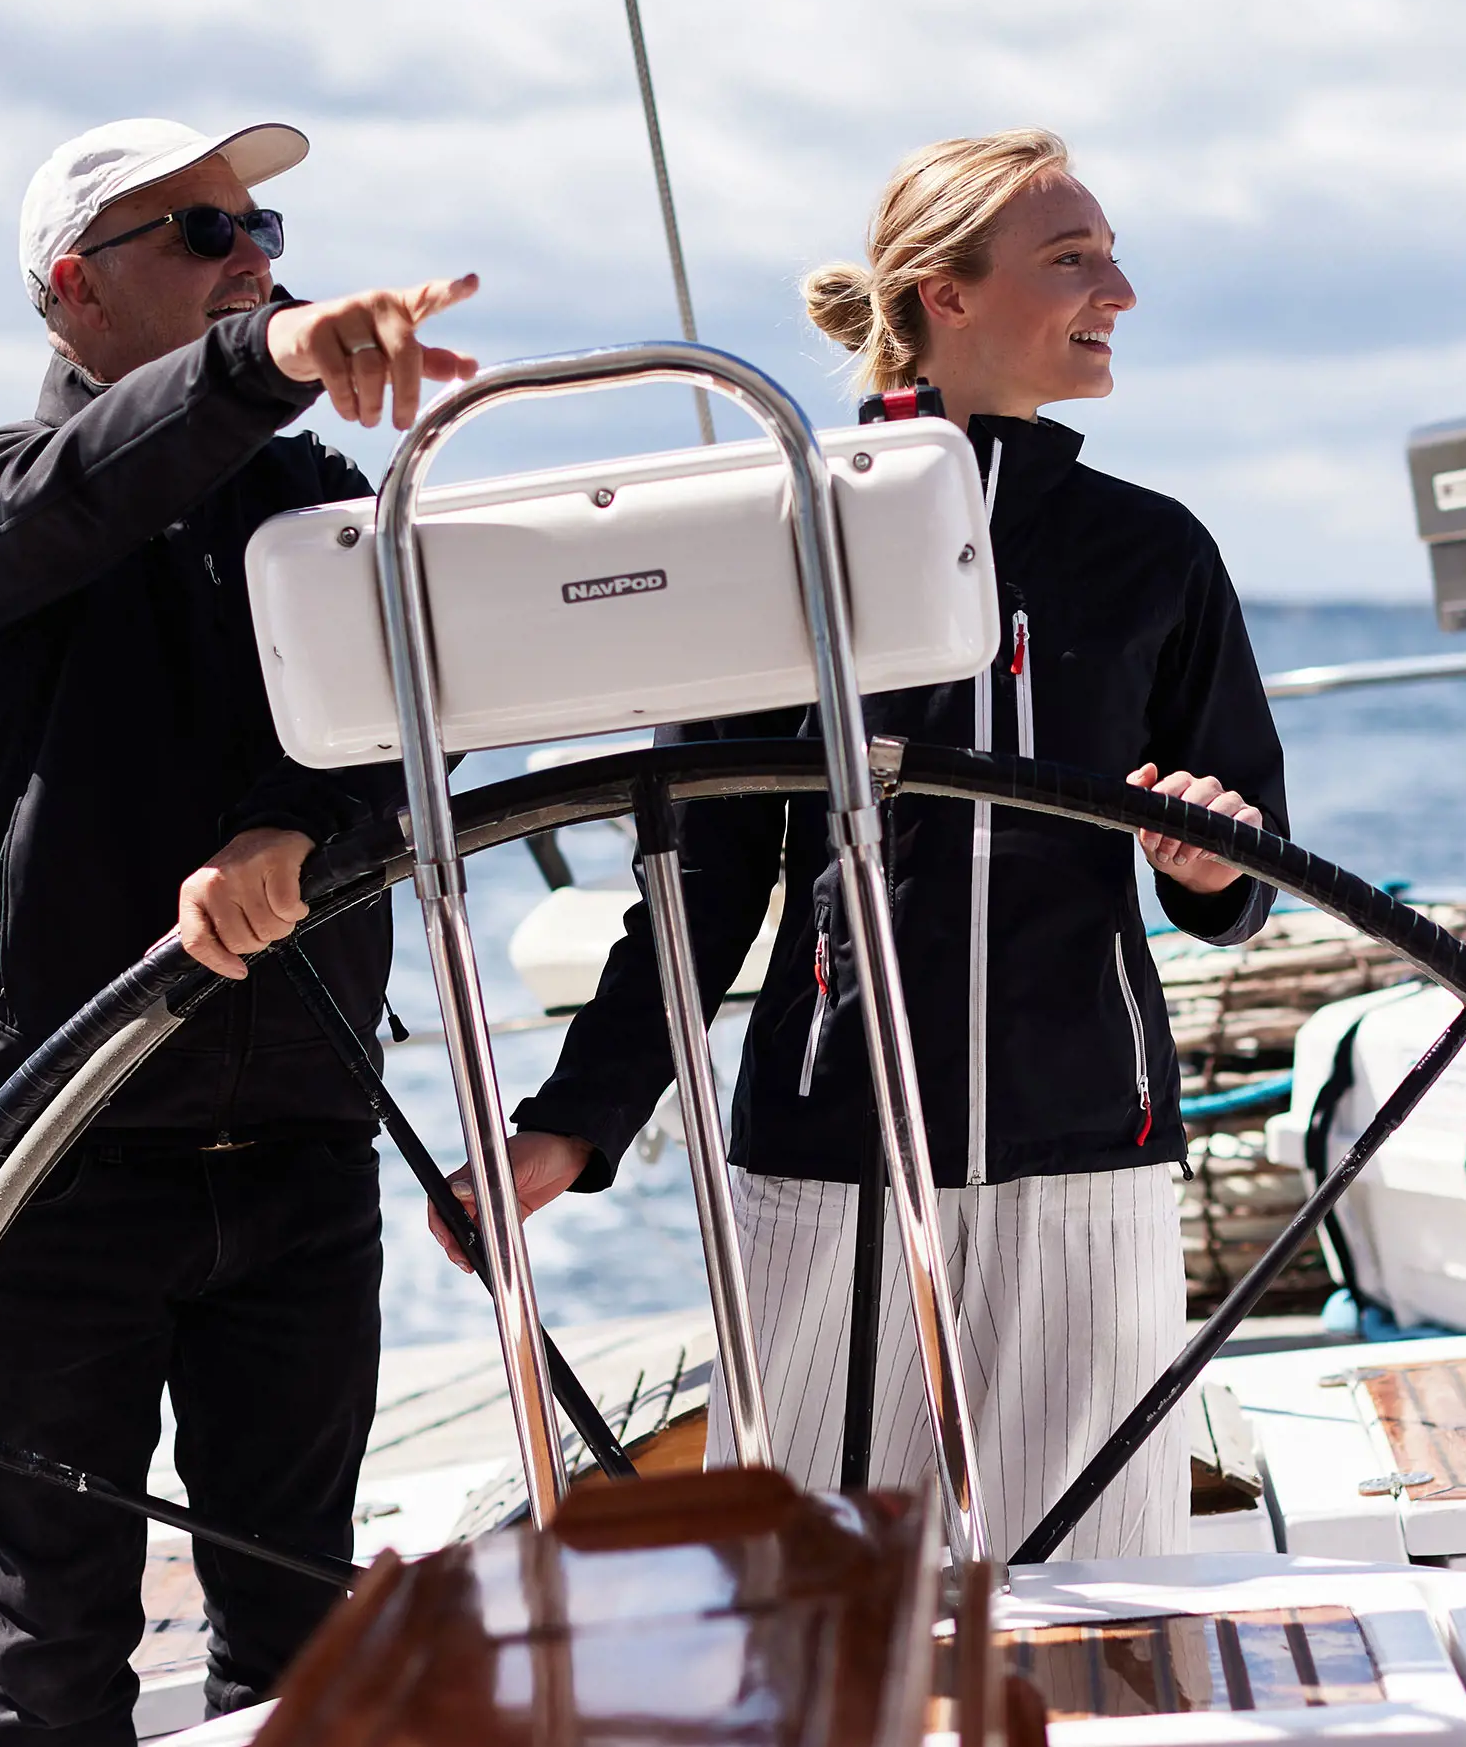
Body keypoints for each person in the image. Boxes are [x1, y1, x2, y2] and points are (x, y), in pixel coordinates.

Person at [454, 128, 1287, 1559]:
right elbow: (699, 888)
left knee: (1094, 1604)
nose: (1123, 291)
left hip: (1093, 1150)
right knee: (808, 1608)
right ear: (944, 294)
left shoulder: (1155, 554)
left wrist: (1214, 868)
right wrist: (573, 1126)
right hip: (829, 1159)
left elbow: (1251, 855)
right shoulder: (777, 542)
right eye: (1073, 258)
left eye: (1112, 252)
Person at [0, 116, 475, 1744]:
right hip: (56, 1159)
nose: (253, 255)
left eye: (266, 229)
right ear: (72, 290)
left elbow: (418, 758)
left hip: (300, 1147)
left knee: (301, 1637)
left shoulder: (321, 500)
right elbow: (89, 489)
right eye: (205, 234)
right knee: (57, 1639)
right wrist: (278, 356)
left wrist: (301, 830)